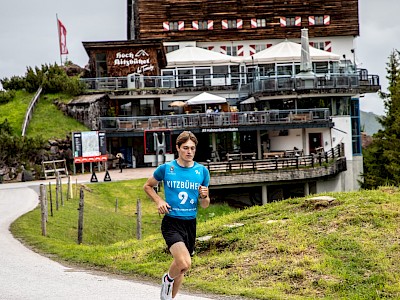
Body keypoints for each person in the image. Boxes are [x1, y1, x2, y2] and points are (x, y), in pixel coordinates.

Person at [143, 131, 210, 300]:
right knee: (183, 263)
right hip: (172, 222)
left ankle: (168, 298)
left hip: (190, 224)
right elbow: (148, 186)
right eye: (185, 148)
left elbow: (205, 204)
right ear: (178, 148)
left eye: (192, 148)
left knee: (183, 268)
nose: (189, 151)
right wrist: (159, 201)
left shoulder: (202, 171)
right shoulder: (167, 169)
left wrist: (204, 196)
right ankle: (167, 279)